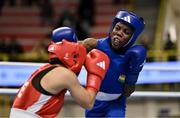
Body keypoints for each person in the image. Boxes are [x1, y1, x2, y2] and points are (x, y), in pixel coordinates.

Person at [10, 27, 110, 118]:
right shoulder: (65, 74)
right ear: (73, 51)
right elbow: (88, 103)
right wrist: (95, 75)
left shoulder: (46, 69)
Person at [80, 10, 147, 117]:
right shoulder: (94, 45)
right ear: (112, 28)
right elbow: (73, 50)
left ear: (132, 37)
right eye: (117, 28)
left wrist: (132, 79)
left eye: (126, 32)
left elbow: (128, 91)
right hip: (93, 102)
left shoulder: (132, 55)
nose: (119, 33)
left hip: (116, 104)